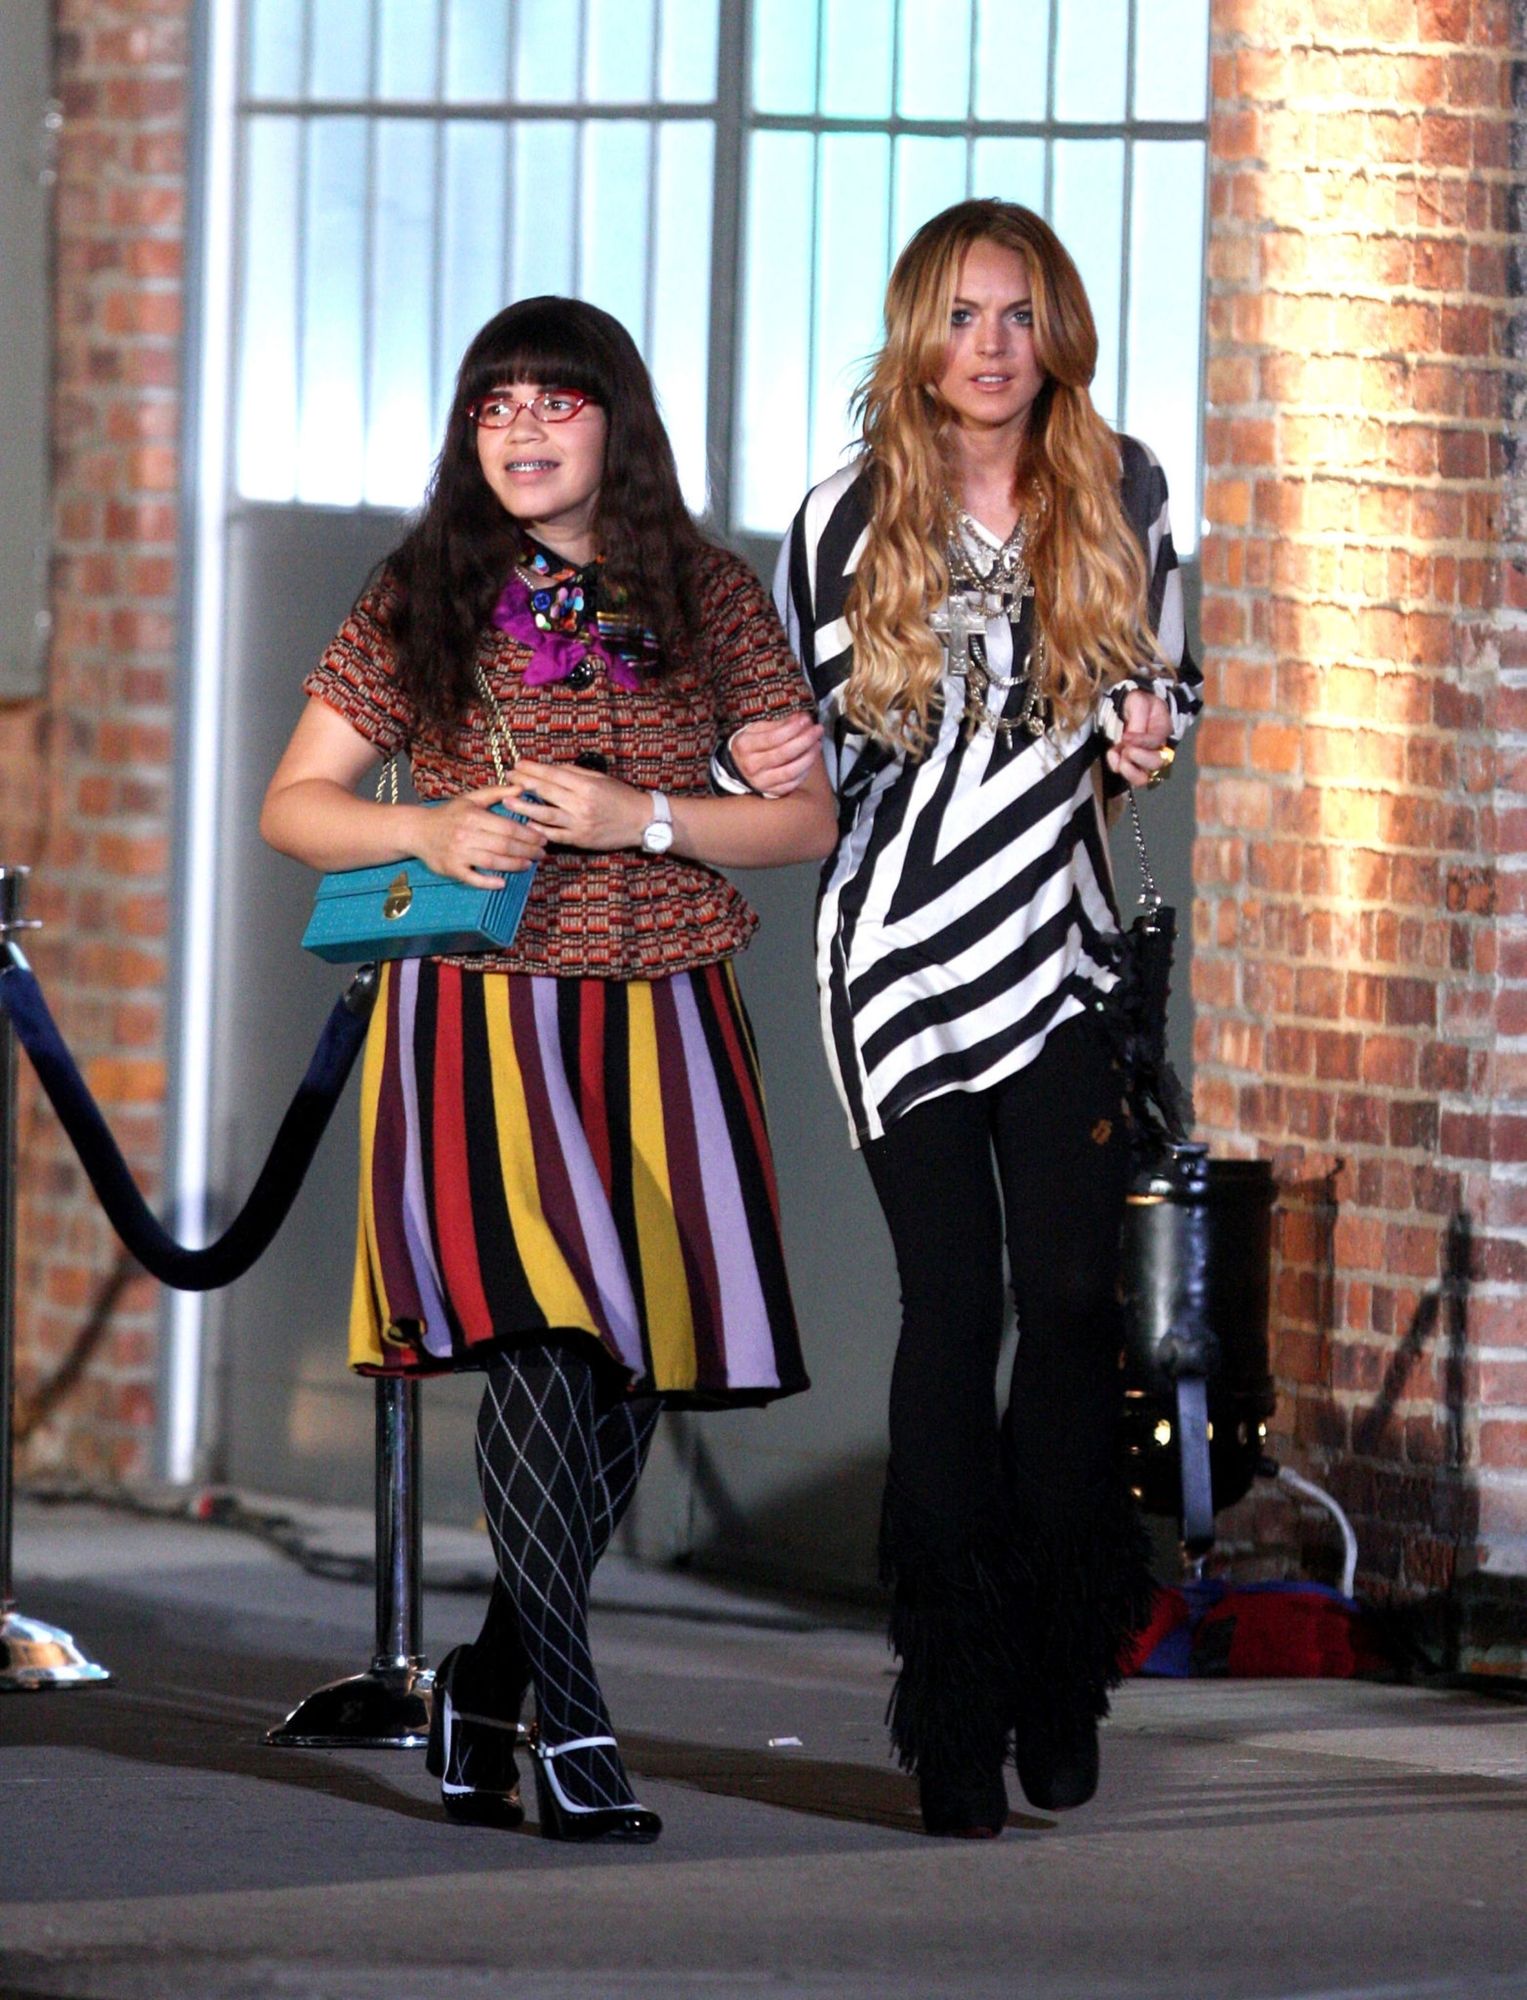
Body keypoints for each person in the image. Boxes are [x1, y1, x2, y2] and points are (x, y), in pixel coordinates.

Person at [262, 297, 836, 1844]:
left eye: (554, 402)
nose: (520, 430)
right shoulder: (422, 592)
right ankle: (574, 1727)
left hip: (669, 1015)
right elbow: (297, 803)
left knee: (630, 1369)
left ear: (615, 423)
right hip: (480, 1014)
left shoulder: (709, 595)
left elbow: (803, 821)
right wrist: (425, 827)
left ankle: (489, 1678)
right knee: (541, 1335)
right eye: (493, 405)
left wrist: (641, 816)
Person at [733, 199, 1202, 1837]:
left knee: (1072, 1306)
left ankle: (1059, 1674)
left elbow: (1161, 687)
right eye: (958, 316)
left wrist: (1146, 726)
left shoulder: (1125, 487)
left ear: (1054, 330)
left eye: (1015, 315)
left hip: (1059, 946)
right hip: (898, 957)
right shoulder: (843, 516)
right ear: (915, 337)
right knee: (954, 1306)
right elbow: (774, 742)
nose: (989, 348)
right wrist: (752, 761)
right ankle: (950, 1709)